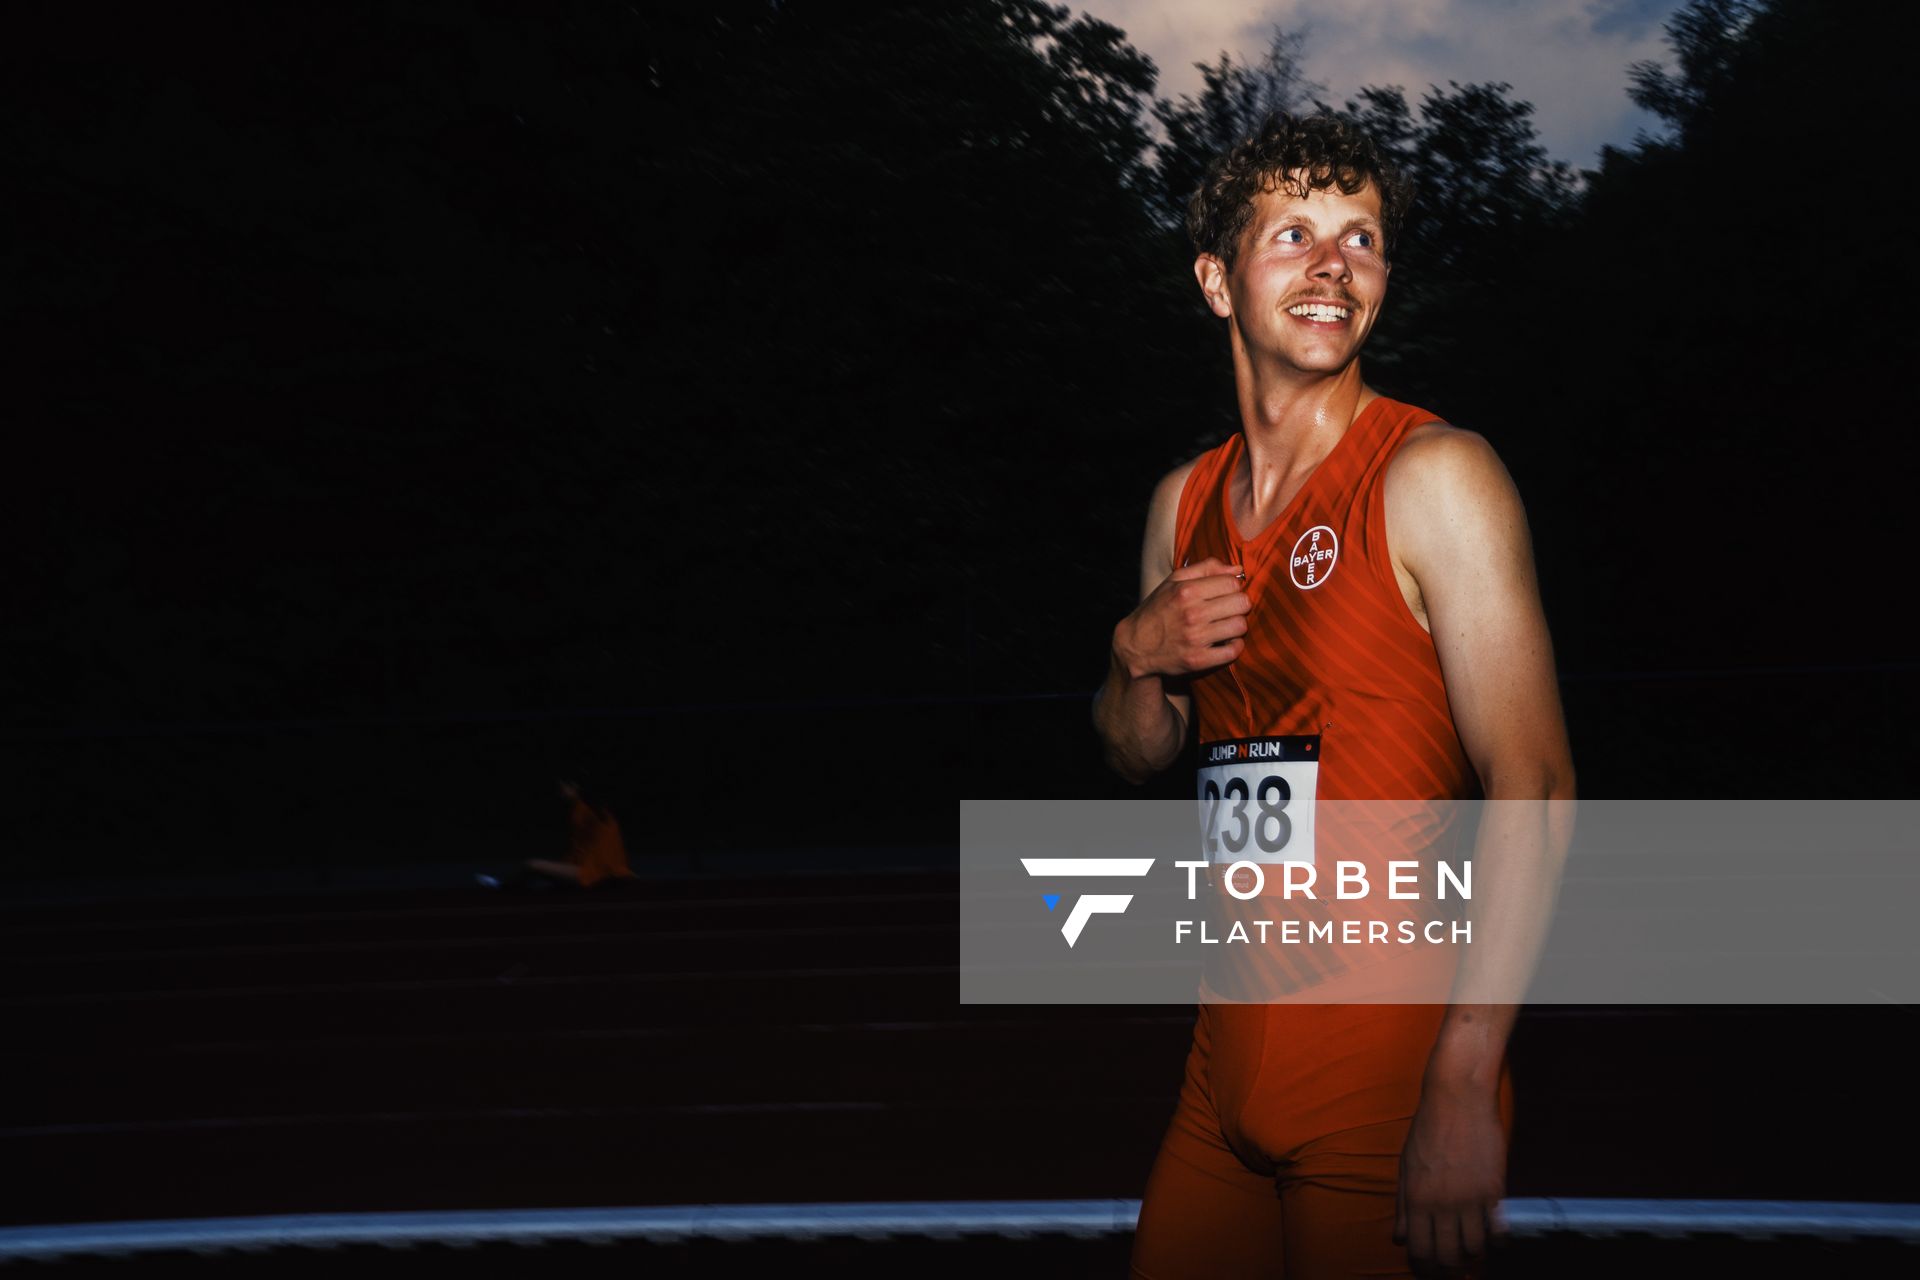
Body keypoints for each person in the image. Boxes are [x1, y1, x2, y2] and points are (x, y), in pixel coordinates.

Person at [1092, 112, 1576, 1278]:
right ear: (1217, 281)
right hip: (1222, 1060)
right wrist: (1134, 653)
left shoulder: (1435, 474)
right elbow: (1138, 754)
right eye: (1294, 234)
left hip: (1387, 1066)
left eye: (1361, 238)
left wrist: (1464, 1078)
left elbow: (1537, 781)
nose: (1333, 264)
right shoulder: (1180, 503)